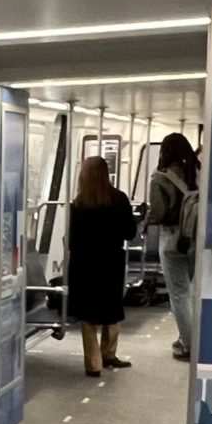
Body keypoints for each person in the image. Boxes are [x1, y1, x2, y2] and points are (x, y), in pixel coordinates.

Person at [65, 156, 137, 376]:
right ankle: (109, 354)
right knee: (112, 312)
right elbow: (130, 232)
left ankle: (93, 364)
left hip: (84, 265)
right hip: (111, 262)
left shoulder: (77, 205)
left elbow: (72, 240)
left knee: (88, 317)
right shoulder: (119, 199)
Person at [146, 131, 202, 359]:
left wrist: (150, 218)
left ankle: (187, 344)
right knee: (194, 290)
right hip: (196, 238)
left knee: (178, 293)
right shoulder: (198, 172)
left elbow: (158, 212)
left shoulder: (160, 178)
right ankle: (198, 340)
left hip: (172, 240)